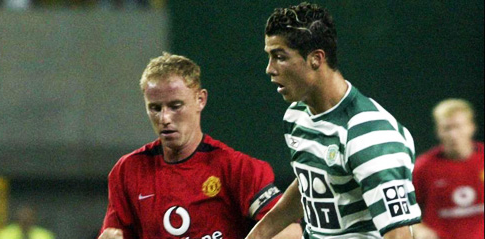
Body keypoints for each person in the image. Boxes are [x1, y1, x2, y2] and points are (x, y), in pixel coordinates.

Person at [246, 2, 422, 239]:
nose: (270, 69)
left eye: (280, 57)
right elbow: (313, 185)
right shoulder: (297, 116)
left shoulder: (371, 136)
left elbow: (399, 235)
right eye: (269, 57)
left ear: (316, 58)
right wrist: (258, 234)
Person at [98, 52, 302, 239]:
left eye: (175, 106)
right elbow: (113, 234)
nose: (164, 118)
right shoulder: (128, 171)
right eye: (155, 108)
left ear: (200, 100)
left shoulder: (238, 169)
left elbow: (290, 233)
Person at [412, 99, 484, 239]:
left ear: (471, 126)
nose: (453, 134)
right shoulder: (422, 167)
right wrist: (418, 229)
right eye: (447, 128)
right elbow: (405, 209)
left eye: (458, 126)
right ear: (438, 131)